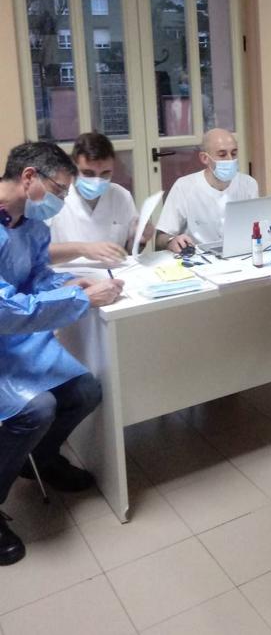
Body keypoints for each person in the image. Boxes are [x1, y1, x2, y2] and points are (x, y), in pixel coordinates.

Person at [0, 141, 123, 565]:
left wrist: (73, 286)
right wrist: (82, 302)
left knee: (86, 389)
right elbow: (4, 309)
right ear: (29, 177)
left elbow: (37, 280)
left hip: (16, 341)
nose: (63, 200)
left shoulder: (30, 226)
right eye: (60, 190)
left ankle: (39, 456)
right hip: (4, 335)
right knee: (37, 408)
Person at [48, 132, 152, 264]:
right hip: (68, 276)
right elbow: (38, 253)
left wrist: (141, 239)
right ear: (72, 167)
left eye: (105, 173)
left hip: (113, 274)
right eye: (88, 173)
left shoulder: (121, 196)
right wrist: (83, 249)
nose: (97, 181)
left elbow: (128, 252)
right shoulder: (54, 198)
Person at [155, 128, 258, 251]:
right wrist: (171, 241)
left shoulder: (248, 184)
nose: (230, 159)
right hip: (198, 258)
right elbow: (160, 238)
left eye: (234, 153)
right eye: (222, 155)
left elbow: (258, 228)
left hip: (240, 255)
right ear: (205, 158)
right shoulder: (184, 187)